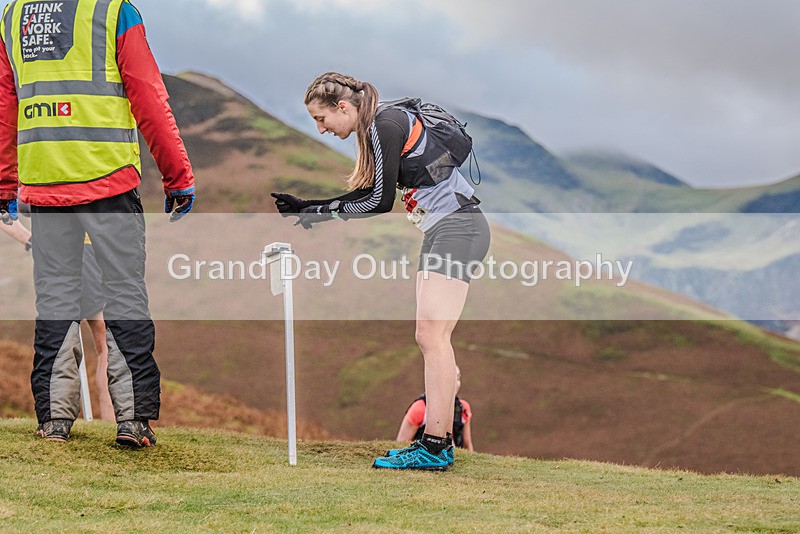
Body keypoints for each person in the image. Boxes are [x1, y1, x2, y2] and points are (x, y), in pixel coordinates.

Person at [0, 0, 196, 447]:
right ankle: (133, 420)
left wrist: (4, 184)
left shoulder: (11, 16)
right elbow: (148, 95)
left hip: (44, 180)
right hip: (108, 179)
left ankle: (54, 422)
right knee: (125, 294)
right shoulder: (114, 11)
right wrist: (177, 175)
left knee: (55, 295)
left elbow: (3, 105)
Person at [272, 72, 490, 470]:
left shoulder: (383, 124)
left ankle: (436, 446)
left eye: (321, 120)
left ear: (343, 108)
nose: (321, 130)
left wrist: (317, 212)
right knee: (430, 336)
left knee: (432, 336)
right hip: (446, 228)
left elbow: (378, 201)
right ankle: (435, 443)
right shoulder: (380, 122)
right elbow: (370, 192)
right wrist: (309, 207)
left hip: (458, 227)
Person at [1, 215, 115, 421]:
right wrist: (30, 240)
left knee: (92, 341)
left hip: (67, 255)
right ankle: (102, 420)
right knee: (101, 344)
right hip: (77, 253)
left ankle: (74, 419)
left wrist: (33, 242)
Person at [393, 367, 474, 452]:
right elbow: (401, 444)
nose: (455, 384)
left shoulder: (463, 408)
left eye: (457, 378)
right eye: (450, 379)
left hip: (452, 457)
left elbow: (467, 444)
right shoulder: (420, 408)